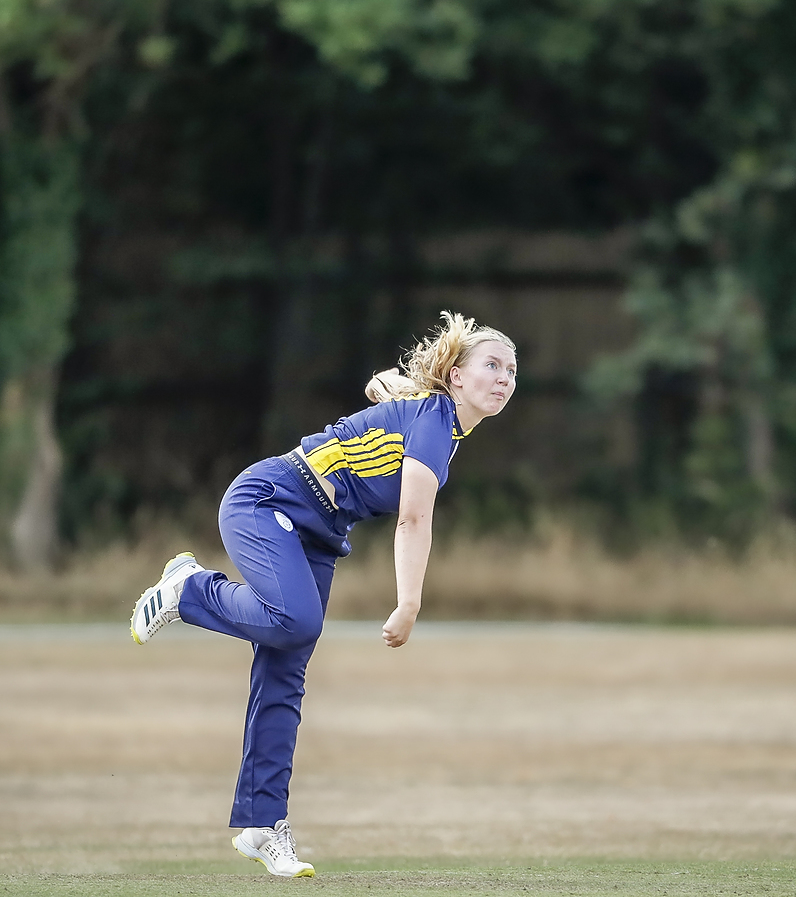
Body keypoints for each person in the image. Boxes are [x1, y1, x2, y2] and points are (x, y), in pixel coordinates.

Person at [128, 311, 517, 877]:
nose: (504, 377)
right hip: (268, 501)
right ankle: (188, 589)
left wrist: (391, 393)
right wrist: (409, 602)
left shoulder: (437, 420)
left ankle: (264, 826)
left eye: (511, 368)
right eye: (491, 364)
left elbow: (385, 399)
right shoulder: (434, 423)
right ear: (456, 375)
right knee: (296, 621)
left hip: (319, 531)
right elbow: (412, 520)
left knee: (285, 674)